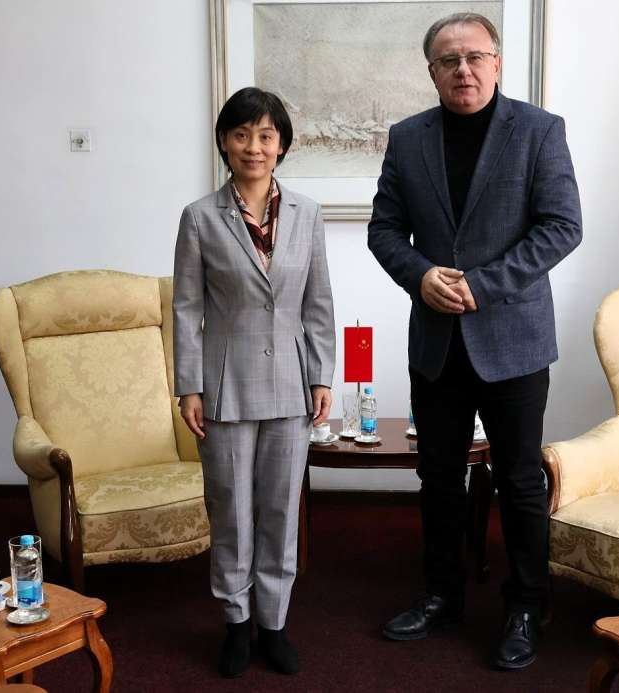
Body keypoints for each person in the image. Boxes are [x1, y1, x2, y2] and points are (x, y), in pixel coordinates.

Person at [367, 13, 582, 670]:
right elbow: (384, 230)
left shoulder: (539, 130)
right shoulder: (408, 138)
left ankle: (527, 605)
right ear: (431, 71)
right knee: (438, 475)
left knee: (519, 479)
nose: (463, 70)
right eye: (448, 60)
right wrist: (420, 275)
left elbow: (562, 227)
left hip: (513, 339)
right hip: (436, 342)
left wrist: (482, 285)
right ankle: (442, 594)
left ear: (496, 62)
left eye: (474, 57)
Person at [173, 87, 335, 678]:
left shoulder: (307, 214)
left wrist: (321, 375)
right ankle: (236, 624)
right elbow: (187, 309)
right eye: (242, 134)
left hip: (291, 381)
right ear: (224, 141)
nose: (254, 146)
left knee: (280, 510)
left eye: (266, 135)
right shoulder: (199, 217)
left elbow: (318, 302)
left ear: (282, 144)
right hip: (224, 385)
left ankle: (275, 623)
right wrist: (188, 386)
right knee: (232, 511)